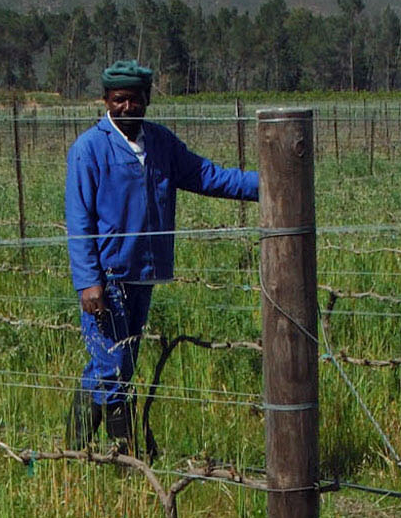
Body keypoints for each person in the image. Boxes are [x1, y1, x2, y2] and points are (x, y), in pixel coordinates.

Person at [63, 61, 259, 449]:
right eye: (119, 99)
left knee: (121, 363)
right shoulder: (90, 148)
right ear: (105, 100)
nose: (126, 107)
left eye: (134, 99)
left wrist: (268, 183)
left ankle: (77, 450)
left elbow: (206, 175)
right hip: (108, 277)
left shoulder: (160, 143)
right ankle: (134, 452)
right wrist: (89, 282)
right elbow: (79, 218)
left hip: (145, 273)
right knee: (112, 365)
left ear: (147, 100)